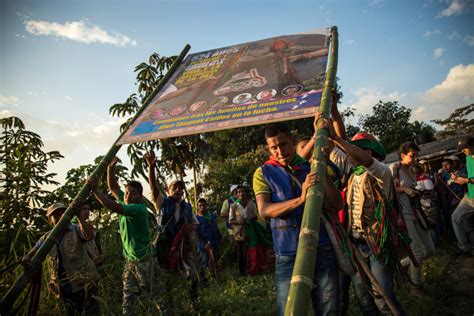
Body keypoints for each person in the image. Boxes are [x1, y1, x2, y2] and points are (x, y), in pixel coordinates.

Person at [253, 122, 342, 315]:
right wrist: (301, 199)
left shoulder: (312, 165)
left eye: (283, 144)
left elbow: (337, 204)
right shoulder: (263, 173)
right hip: (287, 253)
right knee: (289, 310)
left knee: (329, 310)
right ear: (268, 149)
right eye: (274, 147)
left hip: (322, 247)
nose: (280, 151)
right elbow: (264, 210)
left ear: (293, 142)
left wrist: (322, 169)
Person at [321, 118, 406, 315]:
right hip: (355, 245)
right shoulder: (351, 174)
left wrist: (337, 138)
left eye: (354, 149)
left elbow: (365, 160)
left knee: (383, 298)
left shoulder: (381, 172)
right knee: (364, 299)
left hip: (376, 244)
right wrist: (333, 113)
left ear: (367, 153)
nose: (348, 153)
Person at [88, 157, 166, 315]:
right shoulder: (126, 202)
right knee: (128, 298)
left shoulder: (138, 208)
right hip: (130, 261)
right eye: (127, 193)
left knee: (155, 296)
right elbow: (113, 187)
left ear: (140, 196)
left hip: (145, 260)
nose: (128, 196)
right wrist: (110, 169)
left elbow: (114, 207)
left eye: (133, 194)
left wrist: (95, 191)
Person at [22, 202, 100, 315]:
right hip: (62, 289)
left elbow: (89, 235)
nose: (59, 217)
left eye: (62, 213)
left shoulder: (76, 229)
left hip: (84, 284)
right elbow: (33, 253)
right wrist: (27, 258)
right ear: (50, 220)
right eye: (55, 215)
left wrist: (79, 217)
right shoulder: (46, 238)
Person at [145, 151, 200, 309]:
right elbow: (154, 188)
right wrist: (151, 167)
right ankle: (170, 306)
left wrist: (191, 227)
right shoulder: (162, 202)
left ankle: (193, 302)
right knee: (166, 276)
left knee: (192, 273)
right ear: (168, 191)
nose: (178, 191)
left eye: (180, 189)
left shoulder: (187, 207)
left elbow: (196, 224)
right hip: (165, 244)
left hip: (184, 245)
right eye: (174, 188)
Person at [390, 142, 435, 296]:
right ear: (402, 155)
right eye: (412, 155)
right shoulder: (394, 169)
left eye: (416, 155)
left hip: (417, 212)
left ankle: (400, 265)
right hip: (404, 215)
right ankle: (415, 286)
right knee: (417, 252)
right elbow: (386, 190)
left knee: (429, 250)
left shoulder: (411, 169)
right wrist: (403, 189)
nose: (415, 158)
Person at [451, 136, 474, 255]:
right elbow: (469, 173)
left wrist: (467, 181)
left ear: (472, 146)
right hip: (470, 195)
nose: (462, 151)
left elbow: (470, 179)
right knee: (457, 217)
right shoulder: (468, 157)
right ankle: (465, 247)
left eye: (464, 148)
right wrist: (458, 175)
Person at [195, 198, 221, 280]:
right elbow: (197, 235)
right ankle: (204, 281)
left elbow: (215, 228)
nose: (202, 207)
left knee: (215, 260)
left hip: (214, 242)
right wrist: (204, 244)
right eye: (200, 205)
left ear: (207, 206)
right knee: (204, 262)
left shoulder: (211, 216)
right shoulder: (196, 219)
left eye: (204, 205)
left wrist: (219, 238)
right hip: (204, 245)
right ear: (197, 207)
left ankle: (216, 278)